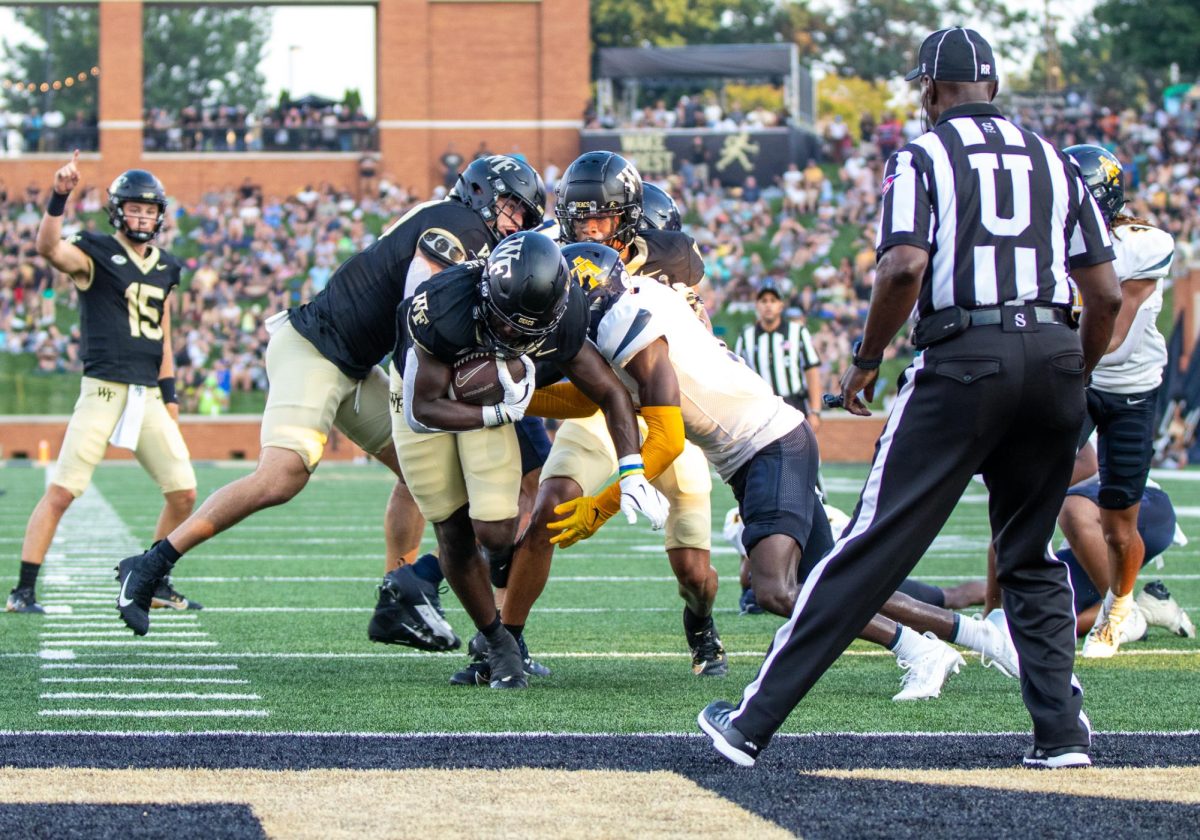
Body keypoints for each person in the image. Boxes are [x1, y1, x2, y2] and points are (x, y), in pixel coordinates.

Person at [698, 28, 1120, 769]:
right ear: (992, 88)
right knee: (1028, 556)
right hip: (1055, 353)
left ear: (929, 89)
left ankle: (749, 724)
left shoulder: (923, 155)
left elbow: (901, 267)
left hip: (965, 358)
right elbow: (1106, 294)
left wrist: (865, 363)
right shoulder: (1055, 160)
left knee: (869, 547)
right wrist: (1072, 374)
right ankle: (1060, 737)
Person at [112, 156, 546, 640]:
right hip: (316, 349)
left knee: (425, 465)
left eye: (526, 217)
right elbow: (416, 307)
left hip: (357, 367)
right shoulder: (457, 224)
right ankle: (150, 564)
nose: (518, 223)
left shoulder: (459, 224)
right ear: (482, 194)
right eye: (513, 208)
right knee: (282, 475)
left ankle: (398, 595)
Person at [392, 231, 664, 689]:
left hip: (487, 395)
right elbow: (425, 409)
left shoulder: (564, 313)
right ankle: (497, 643)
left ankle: (496, 584)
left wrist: (632, 469)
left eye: (527, 329)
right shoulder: (444, 307)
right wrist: (499, 411)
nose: (512, 334)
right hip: (423, 398)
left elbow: (611, 392)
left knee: (497, 530)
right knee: (451, 528)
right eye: (505, 323)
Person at [7, 153, 200, 615]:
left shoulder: (167, 267)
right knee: (63, 490)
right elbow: (49, 249)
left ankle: (154, 580)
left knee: (184, 492)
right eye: (134, 207)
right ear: (117, 210)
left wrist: (169, 395)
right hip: (104, 388)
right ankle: (23, 591)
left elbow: (164, 335)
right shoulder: (94, 249)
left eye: (149, 209)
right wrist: (59, 195)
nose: (141, 216)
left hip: (147, 393)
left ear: (159, 215)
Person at [1062, 145, 1175, 658]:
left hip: (1126, 388)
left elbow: (1109, 337)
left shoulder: (1138, 244)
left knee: (1118, 522)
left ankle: (1122, 606)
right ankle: (1000, 609)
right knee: (1023, 484)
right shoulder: (1048, 240)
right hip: (1077, 381)